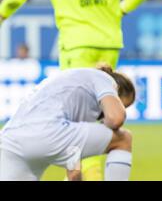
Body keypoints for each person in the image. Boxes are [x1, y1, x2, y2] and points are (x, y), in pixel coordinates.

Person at [0, 0, 151, 180]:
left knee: (75, 121)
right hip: (109, 40)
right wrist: (119, 10)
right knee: (104, 121)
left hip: (76, 43)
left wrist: (2, 14)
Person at [0, 66, 135, 181]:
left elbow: (74, 172)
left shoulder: (70, 90)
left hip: (9, 142)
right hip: (47, 133)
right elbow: (116, 118)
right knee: (123, 139)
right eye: (122, 104)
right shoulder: (104, 79)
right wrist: (110, 121)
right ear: (116, 91)